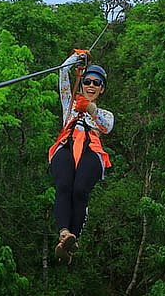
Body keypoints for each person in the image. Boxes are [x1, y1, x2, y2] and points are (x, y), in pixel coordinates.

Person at [48, 50, 114, 264]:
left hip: (90, 150)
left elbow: (106, 127)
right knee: (64, 186)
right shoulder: (69, 104)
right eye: (88, 81)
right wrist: (76, 59)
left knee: (80, 190)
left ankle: (72, 237)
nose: (91, 86)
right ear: (83, 82)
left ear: (101, 89)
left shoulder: (105, 114)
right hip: (67, 146)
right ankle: (64, 233)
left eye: (96, 83)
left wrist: (91, 109)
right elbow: (62, 73)